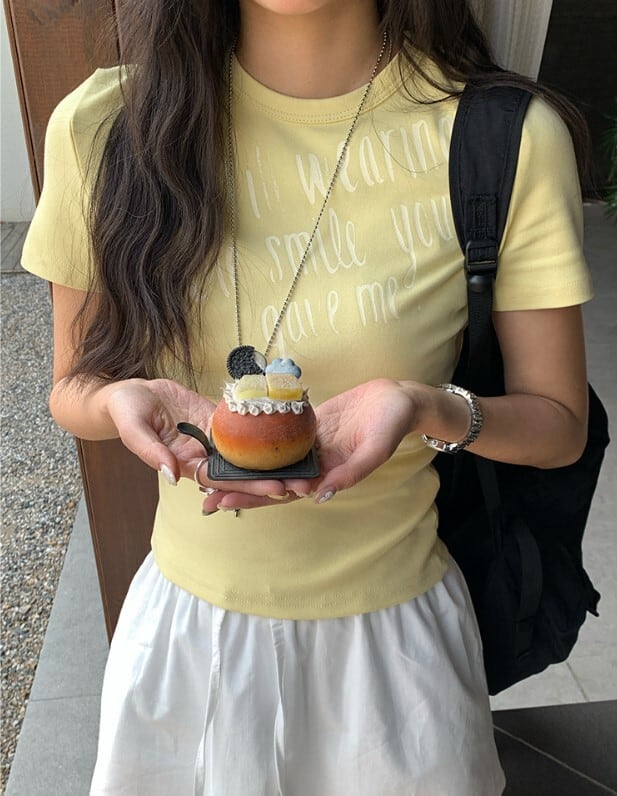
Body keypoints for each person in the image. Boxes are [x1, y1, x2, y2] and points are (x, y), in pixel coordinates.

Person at [22, 0, 593, 793]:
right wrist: (121, 401)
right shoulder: (107, 123)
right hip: (185, 644)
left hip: (398, 652)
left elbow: (559, 427)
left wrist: (425, 406)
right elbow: (72, 386)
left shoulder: (502, 137)